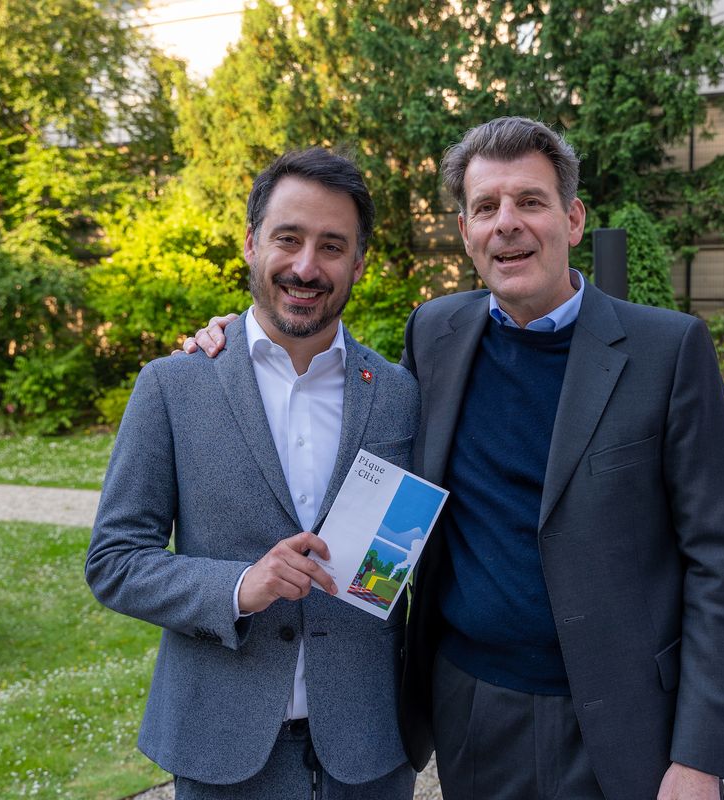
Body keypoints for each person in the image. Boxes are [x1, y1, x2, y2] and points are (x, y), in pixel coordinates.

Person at [183, 117, 724, 800]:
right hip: (473, 711)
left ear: (572, 220)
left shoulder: (667, 351)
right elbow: (382, 481)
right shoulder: (436, 332)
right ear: (465, 234)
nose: (506, 223)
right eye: (486, 207)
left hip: (625, 718)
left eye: (530, 202)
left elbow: (721, 562)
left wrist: (700, 756)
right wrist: (238, 342)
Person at [85, 148, 419, 800]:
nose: (305, 266)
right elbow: (115, 562)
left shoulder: (402, 394)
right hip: (224, 750)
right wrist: (241, 586)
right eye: (287, 239)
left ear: (359, 262)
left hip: (370, 751)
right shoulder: (174, 386)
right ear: (250, 243)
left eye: (331, 246)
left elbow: (406, 554)